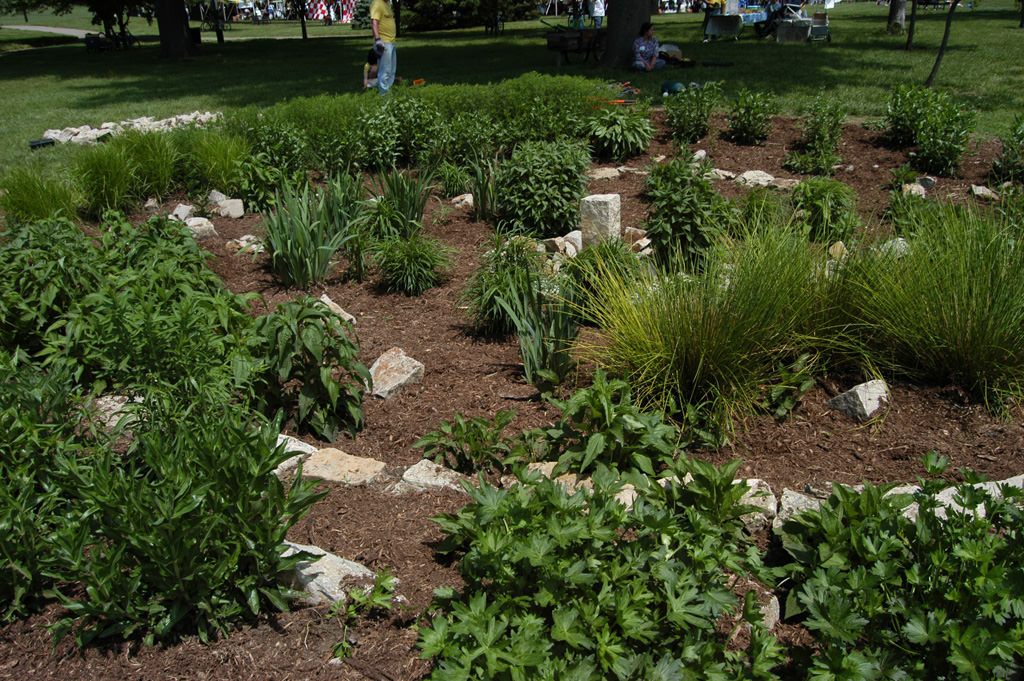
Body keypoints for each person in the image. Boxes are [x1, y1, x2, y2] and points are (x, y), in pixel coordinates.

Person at [370, 0, 396, 95]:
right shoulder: (377, 3)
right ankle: (384, 96)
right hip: (384, 43)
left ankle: (388, 93)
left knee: (391, 71)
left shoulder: (387, 4)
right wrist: (378, 40)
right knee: (385, 72)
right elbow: (374, 22)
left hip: (391, 42)